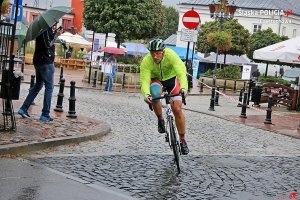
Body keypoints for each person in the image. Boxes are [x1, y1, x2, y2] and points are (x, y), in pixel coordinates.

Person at [140, 38, 189, 155]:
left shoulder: (171, 55)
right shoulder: (146, 61)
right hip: (157, 81)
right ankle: (160, 120)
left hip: (172, 80)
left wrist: (184, 88)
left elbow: (181, 72)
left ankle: (182, 140)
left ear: (163, 52)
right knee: (155, 95)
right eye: (152, 53)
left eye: (158, 53)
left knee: (177, 109)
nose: (155, 56)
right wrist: (146, 94)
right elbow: (145, 80)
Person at [18, 23, 63, 121]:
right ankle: (45, 114)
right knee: (49, 87)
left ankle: (23, 108)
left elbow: (46, 41)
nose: (56, 24)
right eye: (55, 22)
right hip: (45, 62)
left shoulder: (42, 29)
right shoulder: (46, 29)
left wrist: (54, 33)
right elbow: (48, 44)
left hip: (38, 61)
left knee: (38, 85)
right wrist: (56, 35)